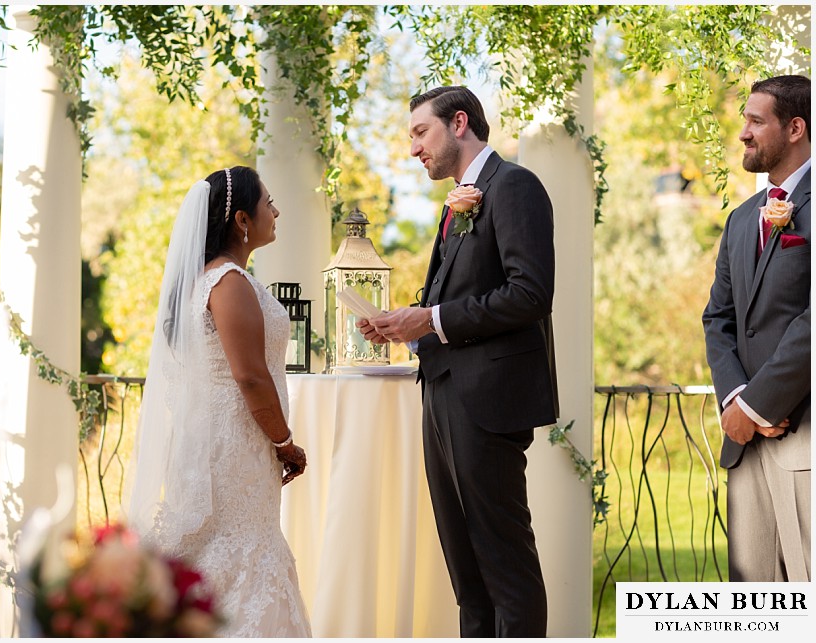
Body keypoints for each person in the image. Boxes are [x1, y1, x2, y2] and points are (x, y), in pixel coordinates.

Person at [358, 86, 557, 637]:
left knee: (504, 564)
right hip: (443, 393)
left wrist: (432, 319)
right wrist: (409, 328)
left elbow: (530, 295)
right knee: (466, 570)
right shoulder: (458, 200)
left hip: (489, 402)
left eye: (421, 133)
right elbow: (458, 301)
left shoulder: (513, 186)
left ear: (460, 123)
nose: (414, 149)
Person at [125, 166, 312, 636]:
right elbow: (250, 376)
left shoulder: (218, 280)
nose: (277, 210)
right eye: (268, 202)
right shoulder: (228, 282)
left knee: (228, 555)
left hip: (232, 446)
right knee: (238, 553)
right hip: (237, 450)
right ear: (242, 221)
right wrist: (285, 442)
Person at [702, 74, 811, 582]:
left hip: (805, 438)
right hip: (745, 447)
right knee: (755, 611)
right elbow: (718, 319)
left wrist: (758, 405)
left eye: (754, 121)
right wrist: (735, 403)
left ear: (795, 128)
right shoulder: (742, 218)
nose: (742, 132)